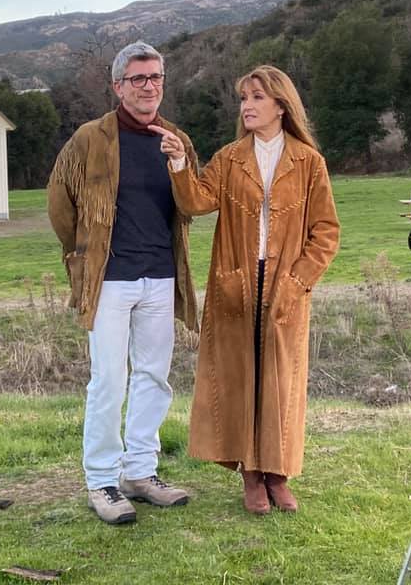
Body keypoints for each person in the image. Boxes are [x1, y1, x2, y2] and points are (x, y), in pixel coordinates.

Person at [148, 64, 340, 515]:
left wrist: (298, 282)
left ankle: (279, 474)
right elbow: (196, 201)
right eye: (243, 98)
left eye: (256, 97)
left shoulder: (309, 163)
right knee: (239, 380)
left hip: (286, 289)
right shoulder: (230, 158)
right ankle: (251, 476)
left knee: (281, 381)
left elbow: (326, 232)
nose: (247, 106)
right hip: (234, 287)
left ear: (281, 105)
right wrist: (179, 161)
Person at [47, 41, 199, 525]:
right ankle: (102, 481)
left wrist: (179, 164)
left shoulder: (176, 138)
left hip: (160, 276)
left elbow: (192, 204)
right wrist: (85, 256)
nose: (149, 86)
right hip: (110, 279)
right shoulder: (91, 139)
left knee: (154, 376)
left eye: (156, 77)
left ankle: (141, 472)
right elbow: (60, 203)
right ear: (118, 86)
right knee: (109, 380)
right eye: (138, 79)